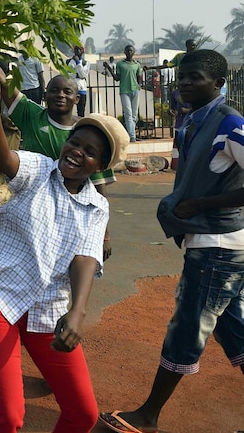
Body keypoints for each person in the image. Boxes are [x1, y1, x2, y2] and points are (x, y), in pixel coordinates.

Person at [0, 71, 129, 433]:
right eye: (76, 143)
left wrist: (77, 312)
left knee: (83, 414)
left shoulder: (96, 206)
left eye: (90, 152)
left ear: (100, 166)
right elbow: (3, 158)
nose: (78, 153)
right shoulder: (37, 169)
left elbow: (87, 257)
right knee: (8, 416)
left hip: (50, 308)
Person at [99, 49, 244, 433]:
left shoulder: (230, 124)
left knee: (186, 328)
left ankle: (148, 416)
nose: (183, 83)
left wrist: (200, 203)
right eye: (181, 76)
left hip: (219, 245)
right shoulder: (194, 122)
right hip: (213, 243)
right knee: (236, 331)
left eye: (194, 77)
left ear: (218, 82)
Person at [0, 72, 117, 259]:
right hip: (31, 210)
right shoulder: (31, 116)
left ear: (77, 98)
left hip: (69, 216)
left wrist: (104, 234)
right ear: (45, 95)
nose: (60, 95)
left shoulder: (88, 135)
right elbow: (3, 81)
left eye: (67, 91)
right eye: (54, 90)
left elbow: (98, 187)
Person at [104, 45, 143, 142]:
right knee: (128, 114)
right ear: (125, 52)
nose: (130, 52)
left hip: (135, 91)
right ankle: (132, 136)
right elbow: (117, 78)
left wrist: (139, 85)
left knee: (134, 115)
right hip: (124, 91)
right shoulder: (120, 64)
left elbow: (139, 77)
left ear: (134, 52)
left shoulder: (137, 64)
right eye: (128, 51)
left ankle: (131, 133)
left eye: (131, 51)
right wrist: (109, 68)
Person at [65, 44, 90, 117]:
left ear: (83, 51)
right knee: (67, 109)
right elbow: (66, 74)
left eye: (80, 49)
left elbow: (83, 75)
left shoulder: (86, 63)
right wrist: (76, 75)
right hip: (70, 88)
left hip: (82, 89)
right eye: (77, 49)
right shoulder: (68, 62)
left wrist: (78, 63)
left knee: (81, 111)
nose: (78, 51)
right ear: (74, 50)